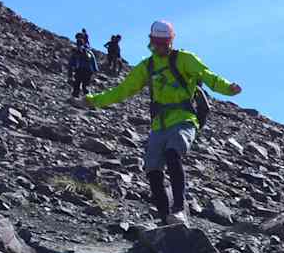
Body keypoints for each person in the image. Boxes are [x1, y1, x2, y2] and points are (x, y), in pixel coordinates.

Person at [83, 20, 243, 226]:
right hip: (159, 124)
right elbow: (122, 90)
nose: (159, 46)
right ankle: (165, 219)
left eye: (163, 42)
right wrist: (94, 101)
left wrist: (229, 88)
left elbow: (208, 76)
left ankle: (178, 210)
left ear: (171, 41)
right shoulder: (147, 67)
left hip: (185, 119)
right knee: (153, 170)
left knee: (173, 153)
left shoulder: (185, 59)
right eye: (156, 42)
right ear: (151, 41)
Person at [67, 33, 98, 98]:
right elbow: (93, 60)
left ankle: (75, 98)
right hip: (88, 71)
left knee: (77, 85)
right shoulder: (88, 51)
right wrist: (95, 70)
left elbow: (71, 64)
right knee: (84, 86)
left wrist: (70, 74)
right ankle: (88, 100)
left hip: (80, 70)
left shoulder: (76, 52)